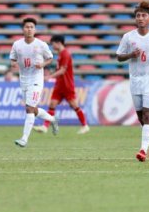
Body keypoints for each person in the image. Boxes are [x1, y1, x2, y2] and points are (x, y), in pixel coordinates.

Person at [116, 1, 149, 162]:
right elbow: (119, 56)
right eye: (138, 16)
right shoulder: (128, 37)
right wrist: (131, 55)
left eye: (144, 15)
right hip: (135, 80)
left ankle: (142, 151)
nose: (140, 18)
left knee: (148, 114)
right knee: (141, 118)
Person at [11, 17, 59, 147]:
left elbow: (50, 58)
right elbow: (13, 59)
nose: (29, 29)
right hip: (24, 80)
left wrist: (42, 64)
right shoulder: (17, 44)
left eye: (31, 27)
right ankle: (53, 120)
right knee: (32, 108)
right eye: (27, 27)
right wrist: (14, 64)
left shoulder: (41, 44)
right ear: (23, 29)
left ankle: (24, 139)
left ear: (35, 29)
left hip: (36, 80)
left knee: (29, 109)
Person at [38, 35, 90, 134]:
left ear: (58, 43)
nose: (52, 46)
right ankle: (45, 127)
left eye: (53, 44)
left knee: (74, 105)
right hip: (59, 85)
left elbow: (62, 70)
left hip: (67, 85)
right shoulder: (60, 54)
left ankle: (85, 125)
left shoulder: (66, 54)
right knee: (52, 104)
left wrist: (49, 77)